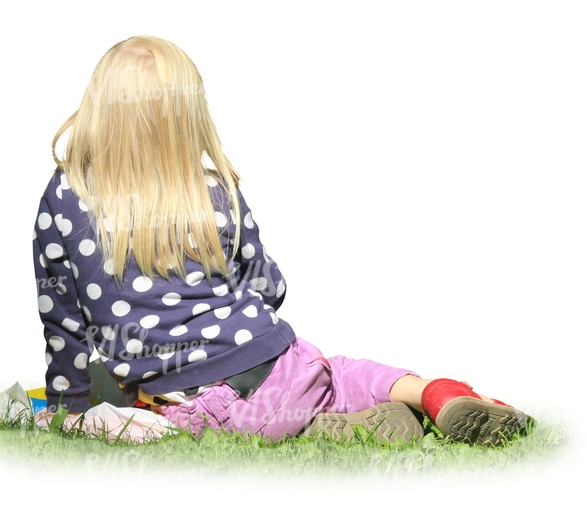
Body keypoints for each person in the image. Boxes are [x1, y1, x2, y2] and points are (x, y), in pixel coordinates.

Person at [33, 35, 532, 447]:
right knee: (340, 372)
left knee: (182, 427)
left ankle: (336, 431)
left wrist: (68, 408)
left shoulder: (64, 196)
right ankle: (430, 392)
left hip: (200, 404)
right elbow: (266, 284)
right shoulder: (212, 188)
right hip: (279, 363)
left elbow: (64, 322)